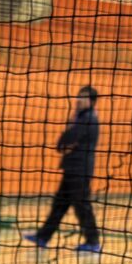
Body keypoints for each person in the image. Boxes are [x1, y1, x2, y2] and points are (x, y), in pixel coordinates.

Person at [24, 85, 103, 254]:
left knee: (82, 206)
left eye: (84, 97)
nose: (79, 100)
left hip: (80, 170)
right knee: (59, 204)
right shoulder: (80, 117)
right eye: (79, 96)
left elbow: (69, 139)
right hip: (72, 168)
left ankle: (93, 242)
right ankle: (43, 237)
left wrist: (65, 143)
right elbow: (65, 142)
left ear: (92, 101)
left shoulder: (87, 118)